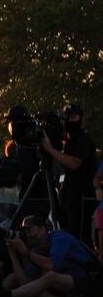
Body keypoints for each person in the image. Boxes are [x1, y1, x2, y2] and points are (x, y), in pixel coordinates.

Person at [0, 215, 102, 297]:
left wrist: (25, 251)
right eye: (25, 232)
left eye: (30, 230)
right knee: (15, 278)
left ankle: (5, 296)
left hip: (90, 278)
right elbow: (26, 281)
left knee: (50, 276)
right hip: (69, 281)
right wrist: (13, 253)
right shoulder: (37, 249)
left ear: (43, 229)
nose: (28, 235)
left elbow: (52, 265)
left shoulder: (59, 237)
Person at [39, 104, 97, 242]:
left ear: (80, 118)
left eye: (74, 117)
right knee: (70, 235)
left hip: (81, 198)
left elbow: (75, 163)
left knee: (81, 238)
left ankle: (86, 262)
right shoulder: (70, 140)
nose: (70, 120)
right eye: (67, 117)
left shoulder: (82, 139)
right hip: (69, 196)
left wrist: (50, 150)